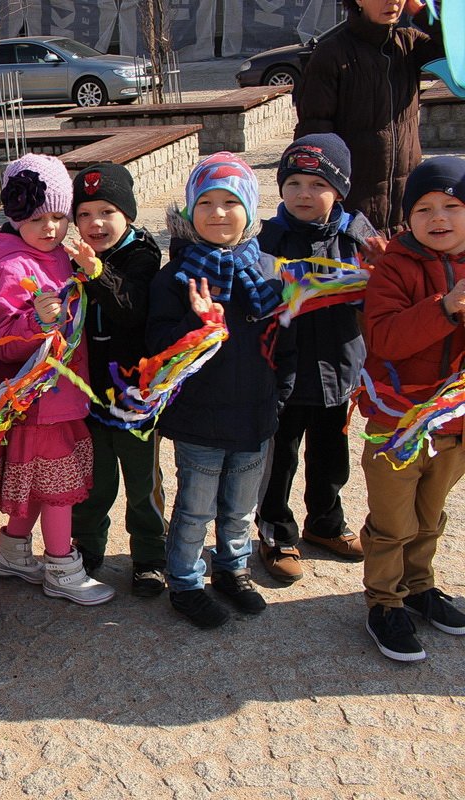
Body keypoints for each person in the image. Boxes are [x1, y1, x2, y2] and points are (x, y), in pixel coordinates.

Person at [147, 152, 295, 629]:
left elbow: (284, 339)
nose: (217, 213)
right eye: (205, 202)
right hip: (201, 418)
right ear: (190, 211)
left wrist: (281, 392)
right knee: (195, 508)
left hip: (255, 414)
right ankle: (186, 582)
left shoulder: (270, 270)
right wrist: (197, 321)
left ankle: (233, 570)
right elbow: (159, 347)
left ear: (250, 210)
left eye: (230, 202)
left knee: (240, 508)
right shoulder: (176, 276)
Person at [0, 153, 112, 605]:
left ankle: (14, 550)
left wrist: (91, 273)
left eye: (58, 216)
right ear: (15, 215)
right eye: (37, 218)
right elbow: (4, 343)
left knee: (43, 482)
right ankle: (61, 566)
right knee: (58, 490)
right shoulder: (14, 266)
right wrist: (35, 323)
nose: (50, 228)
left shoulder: (56, 255)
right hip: (38, 401)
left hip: (59, 395)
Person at [256, 134, 376, 583]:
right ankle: (275, 532)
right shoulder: (268, 240)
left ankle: (325, 524)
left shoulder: (359, 236)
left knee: (331, 455)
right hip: (284, 373)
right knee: (280, 457)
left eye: (317, 184)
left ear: (339, 191)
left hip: (340, 368)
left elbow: (379, 300)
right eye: (294, 183)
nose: (304, 194)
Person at [358, 157, 465, 662]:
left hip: (454, 423)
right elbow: (385, 338)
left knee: (430, 514)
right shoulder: (394, 268)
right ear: (408, 219)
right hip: (394, 424)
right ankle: (383, 602)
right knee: (392, 521)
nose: (439, 218)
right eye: (424, 208)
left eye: (452, 206)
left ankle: (420, 586)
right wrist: (446, 307)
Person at [66, 163, 168, 596]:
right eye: (85, 214)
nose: (96, 223)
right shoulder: (71, 258)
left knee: (143, 484)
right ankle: (87, 550)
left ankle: (149, 556)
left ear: (128, 214)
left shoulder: (143, 255)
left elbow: (132, 308)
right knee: (93, 481)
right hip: (90, 395)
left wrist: (96, 274)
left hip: (136, 398)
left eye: (107, 211)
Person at [294, 0, 444, 233]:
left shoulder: (409, 43)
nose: (393, 1)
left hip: (406, 210)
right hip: (352, 213)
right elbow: (315, 134)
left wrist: (423, 13)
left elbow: (458, 54)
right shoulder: (332, 52)